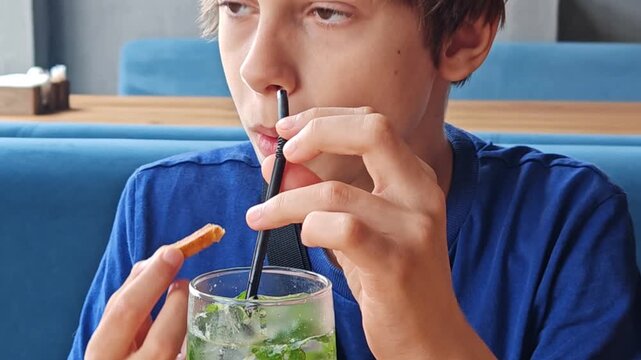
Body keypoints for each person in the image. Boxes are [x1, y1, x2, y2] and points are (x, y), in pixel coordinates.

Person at [69, 0, 641, 358]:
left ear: (465, 32)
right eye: (237, 5)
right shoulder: (164, 207)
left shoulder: (567, 226)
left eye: (327, 11)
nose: (258, 67)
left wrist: (428, 341)